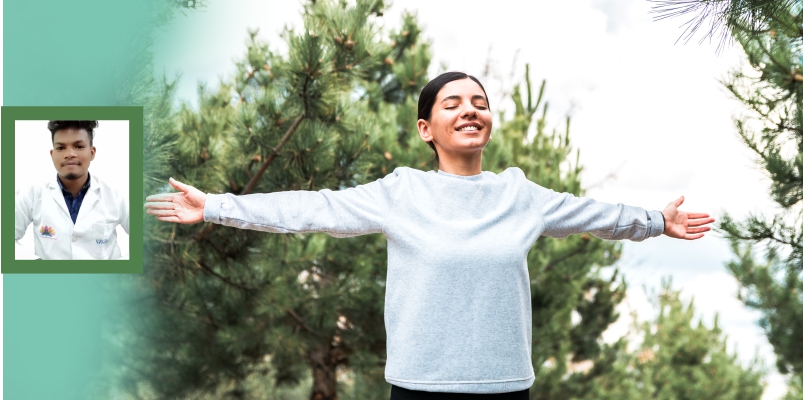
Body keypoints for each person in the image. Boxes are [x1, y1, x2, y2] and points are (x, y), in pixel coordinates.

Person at [145, 72, 714, 399]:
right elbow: (313, 208)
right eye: (454, 103)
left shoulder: (520, 194)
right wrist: (216, 207)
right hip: (420, 390)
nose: (471, 110)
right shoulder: (401, 192)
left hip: (505, 388)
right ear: (426, 128)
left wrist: (657, 222)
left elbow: (596, 214)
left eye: (481, 103)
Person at [15, 120, 130, 260]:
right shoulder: (31, 195)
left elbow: (146, 241)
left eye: (79, 146)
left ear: (92, 152)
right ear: (52, 154)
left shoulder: (116, 196)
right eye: (61, 148)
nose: (69, 154)